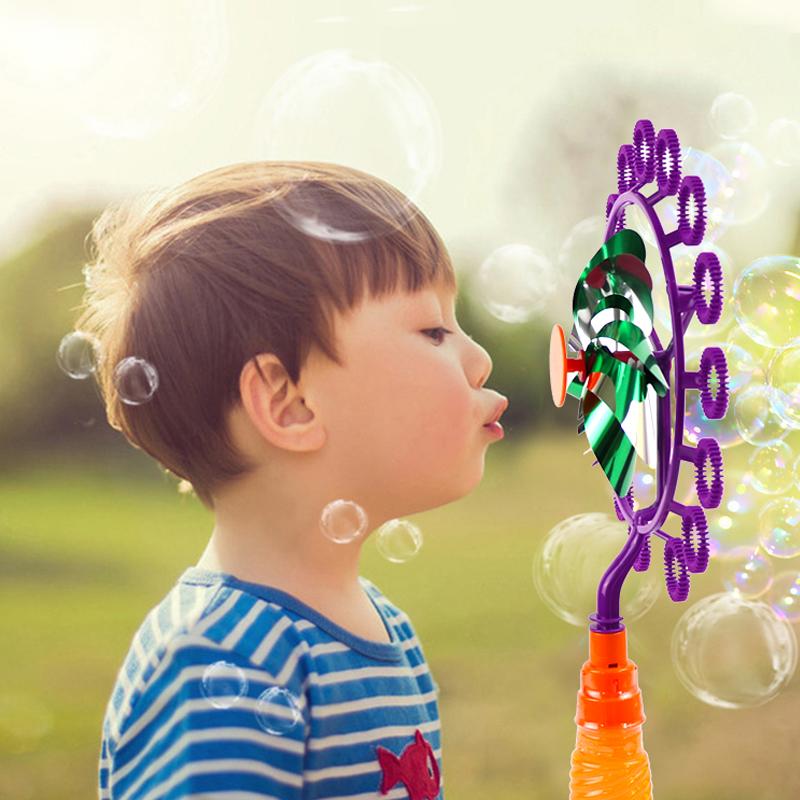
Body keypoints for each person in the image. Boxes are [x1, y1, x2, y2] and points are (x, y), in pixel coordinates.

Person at [79, 160, 508, 799]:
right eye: (434, 330)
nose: (478, 359)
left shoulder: (386, 631)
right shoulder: (219, 659)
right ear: (288, 403)